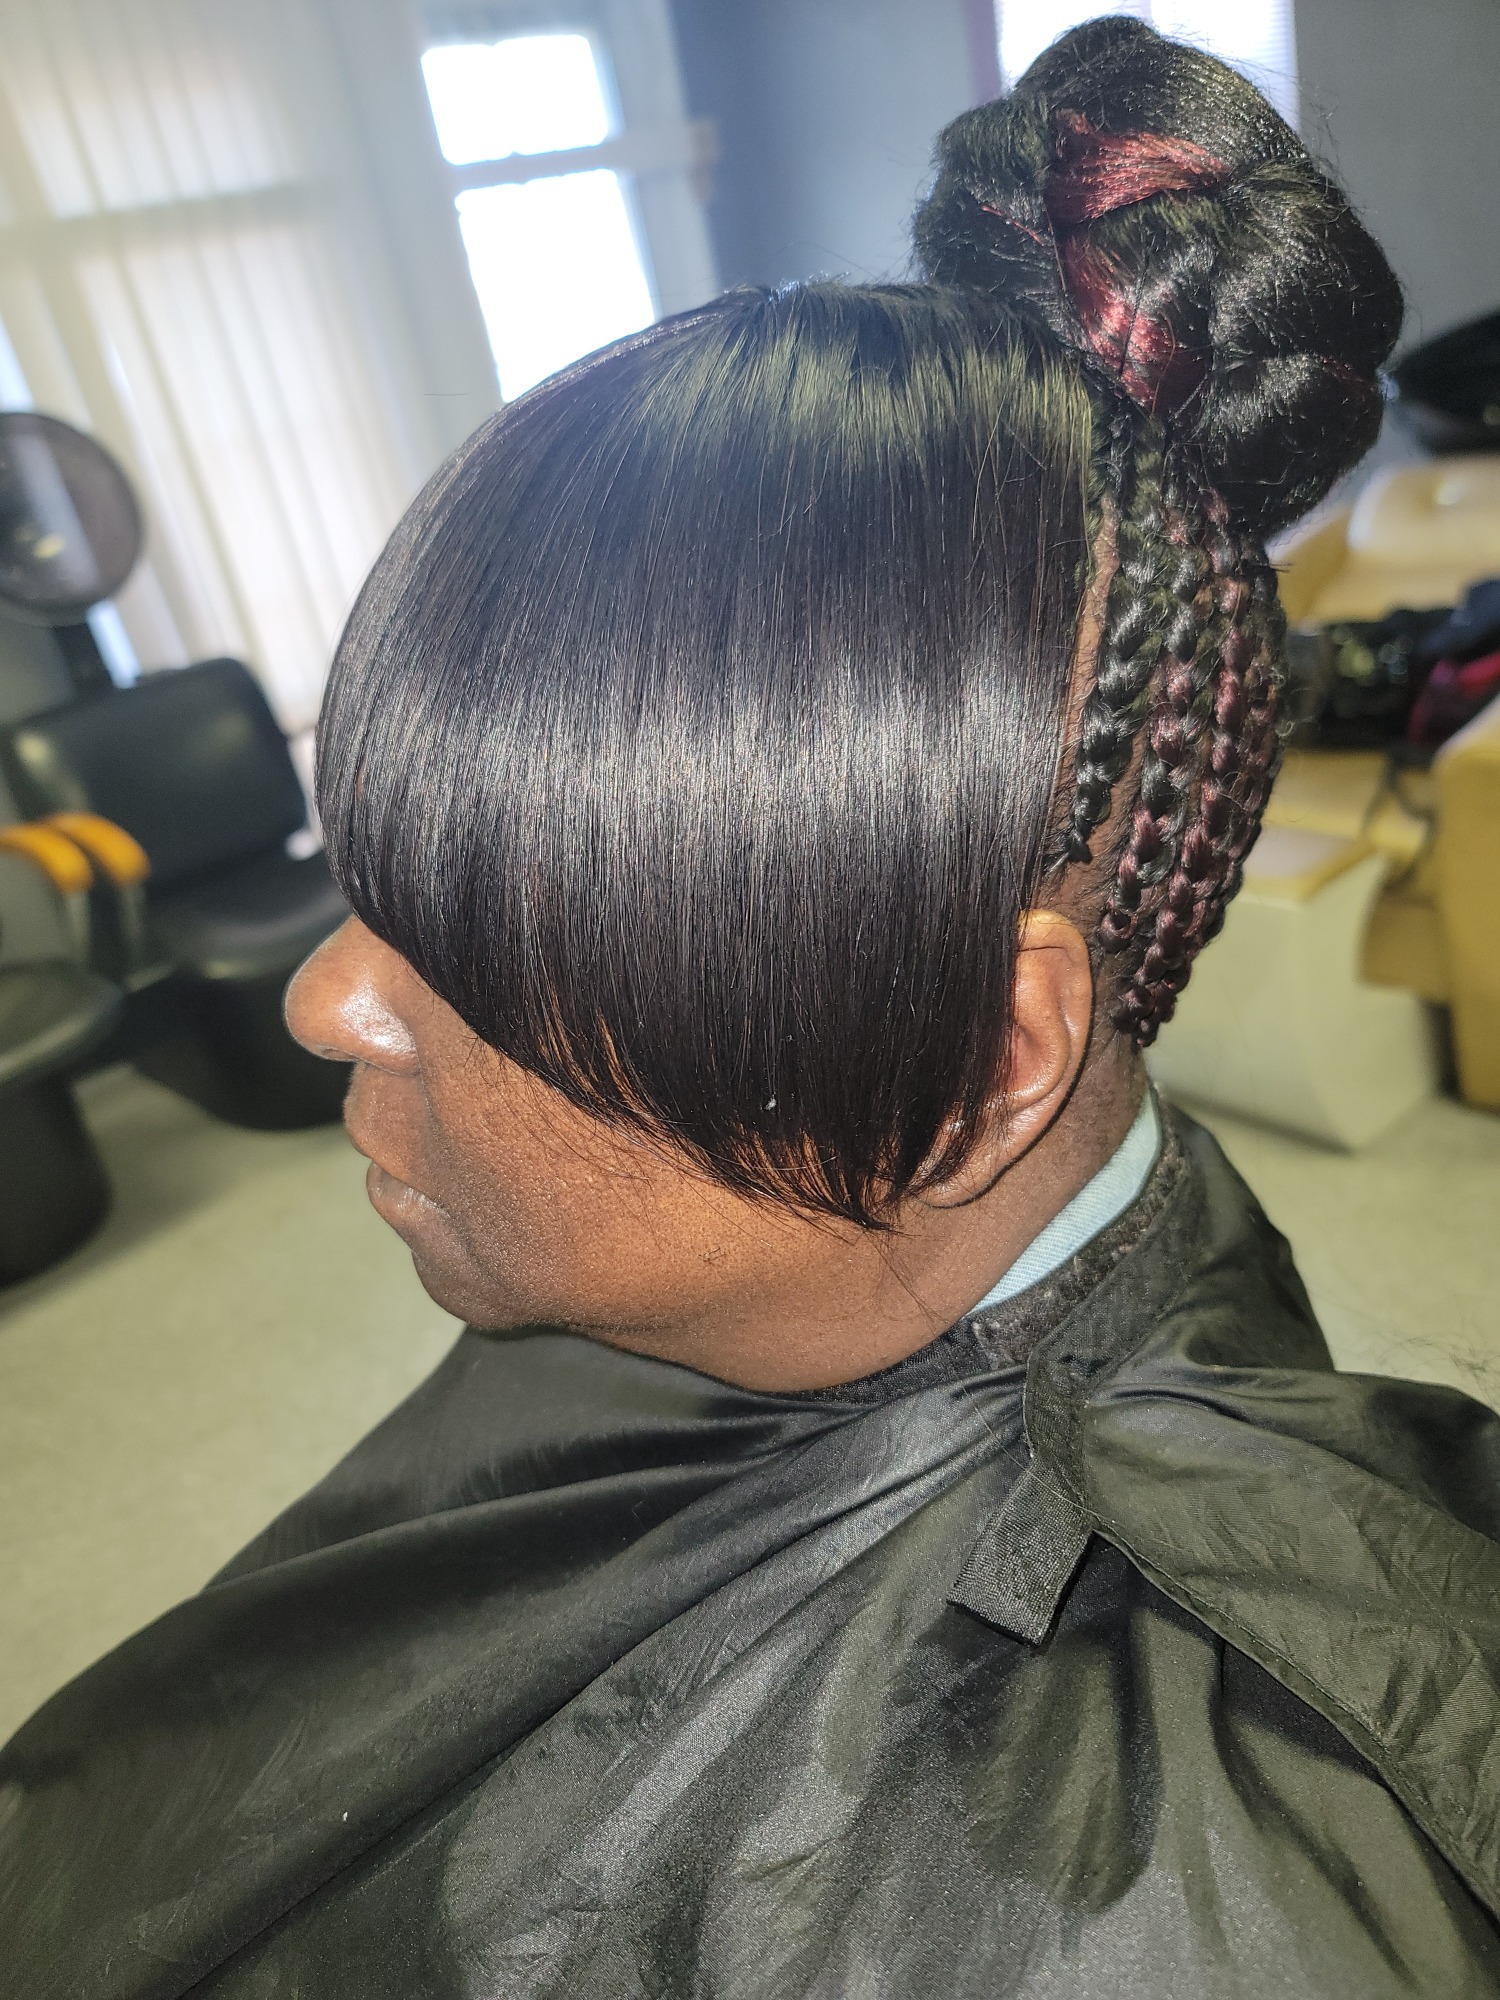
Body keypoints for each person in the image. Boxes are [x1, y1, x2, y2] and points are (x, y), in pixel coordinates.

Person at [4, 17, 1499, 1997]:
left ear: (984, 1061)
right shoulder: (1043, 1186)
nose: (322, 1002)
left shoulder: (1177, 1911)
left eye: (471, 942)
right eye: (374, 884)